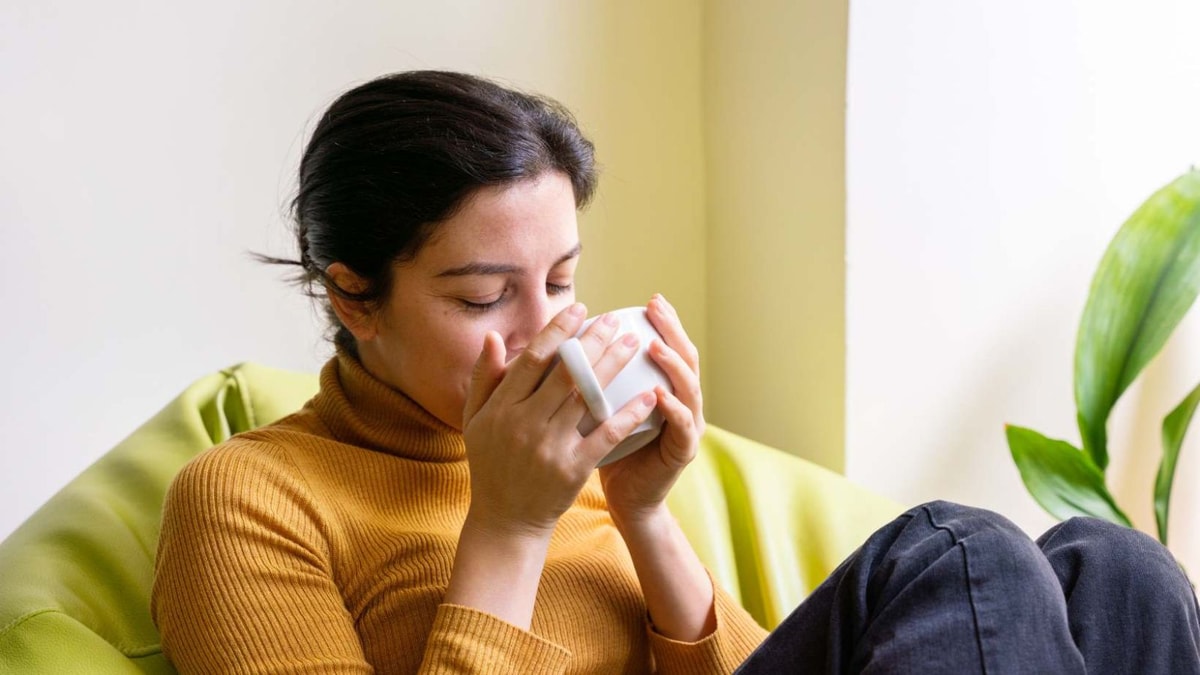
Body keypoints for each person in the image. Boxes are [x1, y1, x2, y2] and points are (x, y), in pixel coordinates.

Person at [150, 70, 1200, 674]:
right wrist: (509, 528)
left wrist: (646, 514)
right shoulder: (248, 499)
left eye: (560, 281)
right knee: (959, 550)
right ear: (352, 297)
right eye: (481, 298)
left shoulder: (574, 469)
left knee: (1117, 568)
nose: (540, 333)